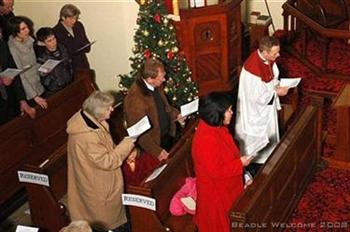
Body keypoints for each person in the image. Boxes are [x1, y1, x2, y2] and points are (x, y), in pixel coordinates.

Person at [66, 91, 136, 232]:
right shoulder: (87, 136)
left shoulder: (91, 120)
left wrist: (123, 151)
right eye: (108, 108)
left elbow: (106, 148)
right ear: (97, 110)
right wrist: (128, 143)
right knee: (109, 224)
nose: (112, 109)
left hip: (95, 179)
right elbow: (107, 161)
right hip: (97, 185)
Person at [191, 92, 252, 232]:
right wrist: (240, 164)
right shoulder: (206, 140)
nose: (231, 113)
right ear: (217, 113)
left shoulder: (216, 127)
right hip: (217, 194)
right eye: (228, 110)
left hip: (226, 186)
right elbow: (215, 171)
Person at [234, 36, 288, 175]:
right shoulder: (253, 70)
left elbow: (272, 77)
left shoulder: (266, 60)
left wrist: (276, 86)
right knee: (256, 140)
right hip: (254, 112)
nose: (278, 55)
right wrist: (276, 92)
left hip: (266, 109)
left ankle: (269, 158)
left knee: (270, 136)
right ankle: (255, 167)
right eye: (275, 53)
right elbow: (257, 97)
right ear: (264, 53)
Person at [124, 58, 184, 162]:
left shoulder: (155, 85)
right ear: (149, 79)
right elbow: (139, 133)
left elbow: (165, 107)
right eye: (161, 78)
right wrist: (156, 151)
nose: (164, 80)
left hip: (167, 137)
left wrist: (177, 115)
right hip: (155, 145)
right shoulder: (134, 99)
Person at [7, 16, 47, 109]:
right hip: (28, 90)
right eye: (23, 29)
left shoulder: (28, 39)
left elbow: (33, 63)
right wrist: (35, 96)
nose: (27, 30)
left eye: (27, 27)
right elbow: (20, 75)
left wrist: (44, 68)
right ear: (15, 32)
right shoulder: (13, 48)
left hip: (38, 83)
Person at [0, 33, 35, 124]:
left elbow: (14, 71)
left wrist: (22, 100)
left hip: (11, 99)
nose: (0, 34)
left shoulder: (2, 45)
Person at [53, 4, 91, 72]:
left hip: (83, 64)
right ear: (63, 17)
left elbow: (86, 42)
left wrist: (86, 46)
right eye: (71, 18)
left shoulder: (78, 25)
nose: (74, 21)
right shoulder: (56, 31)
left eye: (75, 18)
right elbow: (60, 53)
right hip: (69, 68)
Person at [36, 27, 73, 94]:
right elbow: (40, 75)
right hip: (54, 89)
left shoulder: (62, 47)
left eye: (54, 38)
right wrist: (45, 72)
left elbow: (68, 63)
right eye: (49, 41)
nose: (53, 42)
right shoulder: (42, 57)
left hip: (68, 81)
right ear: (43, 43)